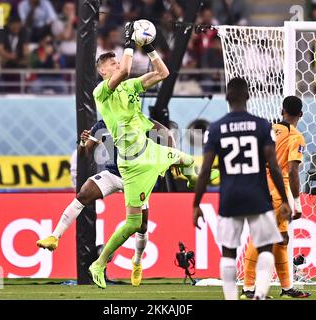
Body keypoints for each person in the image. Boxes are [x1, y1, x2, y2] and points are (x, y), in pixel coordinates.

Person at [87, 22, 219, 289]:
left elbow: (163, 72)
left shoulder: (131, 87)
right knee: (134, 224)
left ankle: (192, 180)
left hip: (150, 150)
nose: (117, 65)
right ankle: (99, 264)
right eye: (110, 64)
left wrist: (148, 48)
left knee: (188, 160)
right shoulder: (102, 92)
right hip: (132, 164)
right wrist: (127, 42)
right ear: (103, 72)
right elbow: (124, 69)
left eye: (115, 61)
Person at [37, 118, 177, 286]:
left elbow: (166, 134)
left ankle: (137, 262)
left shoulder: (137, 117)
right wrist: (82, 143)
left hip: (137, 178)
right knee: (83, 194)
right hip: (113, 174)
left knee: (142, 225)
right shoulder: (101, 125)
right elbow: (85, 154)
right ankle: (55, 237)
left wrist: (173, 156)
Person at [193, 77, 291, 300]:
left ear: (227, 97)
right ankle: (260, 294)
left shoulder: (216, 128)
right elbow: (274, 167)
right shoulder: (263, 125)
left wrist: (196, 204)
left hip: (230, 197)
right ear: (248, 96)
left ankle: (231, 298)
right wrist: (285, 200)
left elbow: (206, 170)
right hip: (258, 195)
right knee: (266, 246)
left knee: (229, 250)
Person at [241, 96, 311, 299]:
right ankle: (247, 288)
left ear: (282, 111)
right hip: (277, 193)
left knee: (281, 240)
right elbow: (293, 170)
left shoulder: (266, 130)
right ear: (301, 114)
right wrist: (296, 201)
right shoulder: (295, 136)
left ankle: (287, 288)